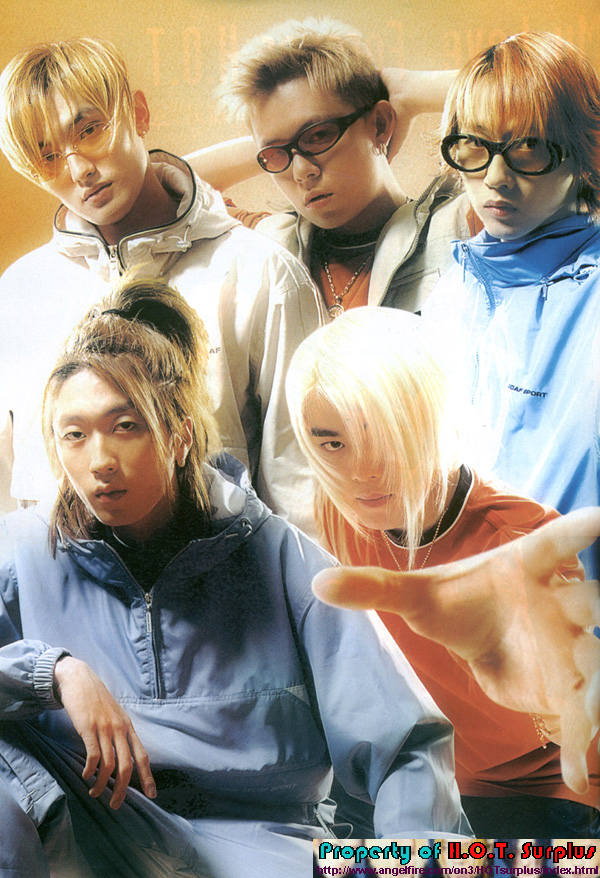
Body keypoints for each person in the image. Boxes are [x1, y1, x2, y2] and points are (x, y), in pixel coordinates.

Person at [0, 277, 472, 878]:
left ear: (179, 436)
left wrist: (421, 863)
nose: (99, 463)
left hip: (262, 850)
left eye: (126, 426)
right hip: (85, 838)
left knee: (544, 864)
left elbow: (406, 746)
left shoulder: (281, 558)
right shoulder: (21, 551)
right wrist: (54, 672)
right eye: (74, 435)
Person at [285, 306, 600, 838]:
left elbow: (572, 700)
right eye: (332, 442)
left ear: (431, 415)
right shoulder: (338, 509)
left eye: (383, 433)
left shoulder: (518, 538)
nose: (361, 471)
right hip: (403, 771)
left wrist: (554, 695)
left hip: (532, 790)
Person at [0, 36, 324, 531]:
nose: (79, 170)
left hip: (224, 575)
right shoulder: (20, 292)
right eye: (47, 155)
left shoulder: (260, 271)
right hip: (57, 576)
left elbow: (303, 491)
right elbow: (10, 489)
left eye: (90, 130)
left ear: (138, 113)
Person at [421, 32, 600, 579]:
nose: (495, 178)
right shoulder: (451, 293)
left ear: (584, 150)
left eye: (529, 147)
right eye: (474, 146)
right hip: (456, 613)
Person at [188, 18, 475, 317]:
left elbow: (511, 92)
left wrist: (408, 91)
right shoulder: (271, 240)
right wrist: (273, 144)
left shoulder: (462, 224)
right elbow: (168, 181)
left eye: (319, 135)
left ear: (379, 124)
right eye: (276, 155)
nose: (301, 172)